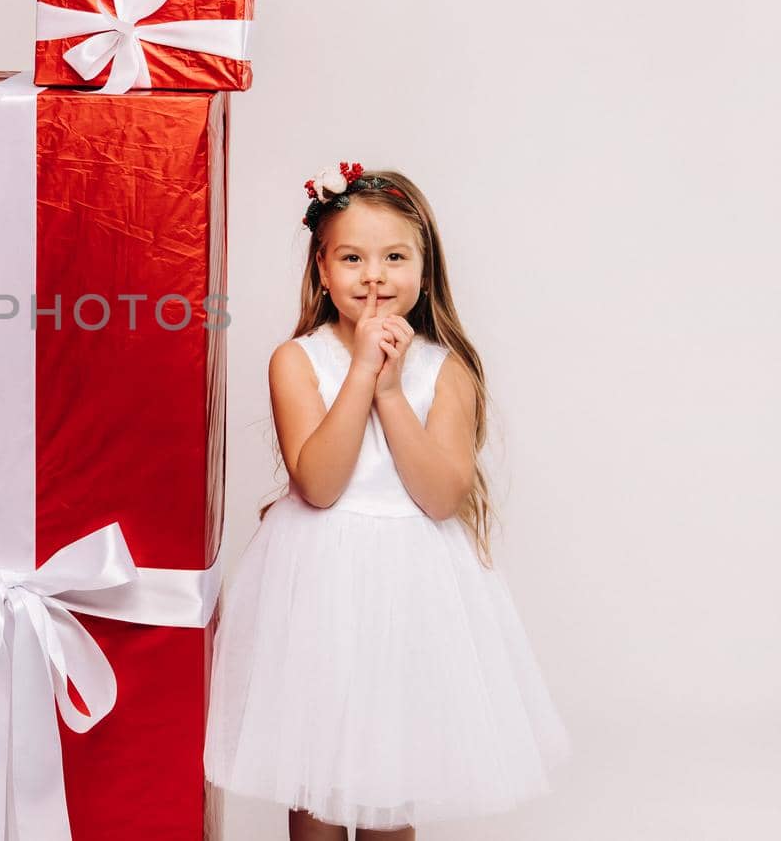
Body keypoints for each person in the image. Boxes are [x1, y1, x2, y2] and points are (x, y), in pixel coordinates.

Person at [205, 163, 569, 839]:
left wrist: (394, 391)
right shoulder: (298, 360)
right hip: (315, 590)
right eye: (352, 257)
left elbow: (439, 496)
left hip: (408, 596)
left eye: (394, 257)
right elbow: (320, 482)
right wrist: (362, 375)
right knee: (316, 780)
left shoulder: (445, 369)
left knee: (389, 780)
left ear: (424, 272)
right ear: (322, 269)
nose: (374, 275)